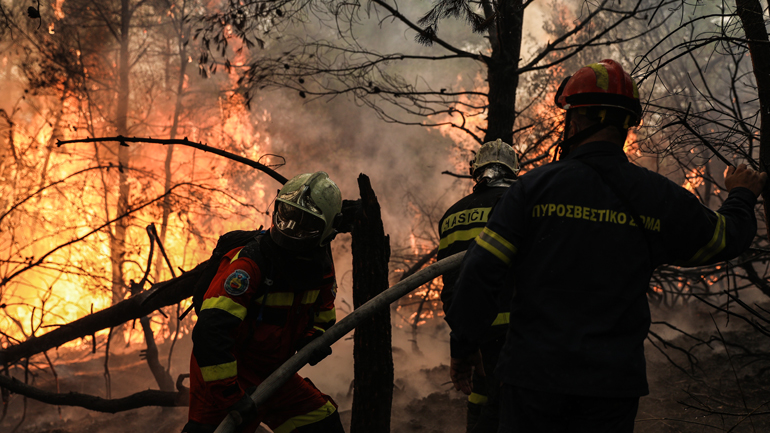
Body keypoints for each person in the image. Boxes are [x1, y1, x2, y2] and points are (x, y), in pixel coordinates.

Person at [445, 59, 767, 432]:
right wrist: (742, 195)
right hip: (610, 387)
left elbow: (480, 271)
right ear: (627, 125)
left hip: (534, 380)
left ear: (576, 120)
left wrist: (465, 347)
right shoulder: (657, 196)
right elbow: (725, 239)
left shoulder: (531, 190)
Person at [183, 172, 346, 433]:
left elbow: (324, 314)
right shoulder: (249, 265)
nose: (291, 228)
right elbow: (210, 334)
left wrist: (312, 339)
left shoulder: (320, 268)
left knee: (323, 424)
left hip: (274, 373)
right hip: (226, 375)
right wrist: (231, 397)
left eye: (305, 224)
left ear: (327, 229)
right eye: (287, 216)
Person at [437, 139, 519, 433]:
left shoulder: (451, 216)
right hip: (518, 329)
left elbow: (451, 285)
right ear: (514, 170)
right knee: (509, 403)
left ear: (476, 171)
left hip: (474, 328)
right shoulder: (521, 205)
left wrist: (463, 339)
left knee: (483, 393)